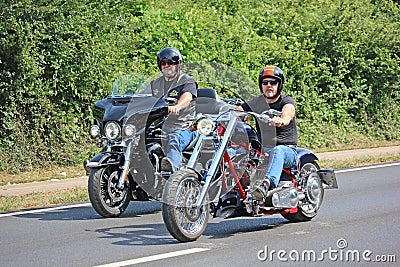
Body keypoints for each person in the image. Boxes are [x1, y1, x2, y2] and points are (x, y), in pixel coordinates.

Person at [236, 65, 298, 201]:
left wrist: (282, 119)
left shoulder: (286, 101)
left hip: (287, 150)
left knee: (278, 151)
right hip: (264, 151)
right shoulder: (257, 102)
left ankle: (266, 185)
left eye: (273, 82)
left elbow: (289, 111)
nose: (269, 85)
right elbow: (237, 111)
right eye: (265, 82)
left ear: (279, 85)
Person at [150, 47, 198, 172]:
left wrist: (177, 106)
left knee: (174, 139)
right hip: (160, 126)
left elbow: (187, 97)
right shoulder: (156, 84)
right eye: (163, 63)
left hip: (183, 127)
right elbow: (144, 100)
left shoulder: (187, 81)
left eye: (170, 63)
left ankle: (171, 171)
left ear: (178, 64)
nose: (167, 66)